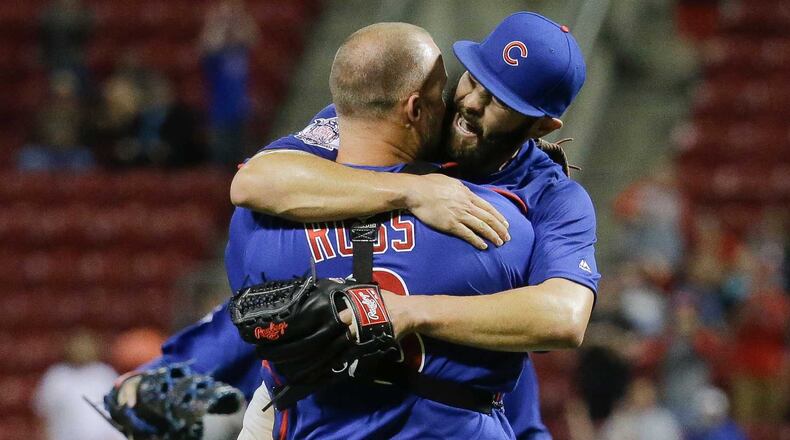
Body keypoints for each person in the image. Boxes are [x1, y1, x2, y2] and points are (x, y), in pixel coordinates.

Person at [136, 11, 597, 440]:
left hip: (443, 392)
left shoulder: (551, 196)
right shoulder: (409, 116)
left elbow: (564, 316)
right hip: (317, 395)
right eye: (475, 79)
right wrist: (411, 191)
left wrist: (410, 311)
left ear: (541, 126)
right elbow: (255, 181)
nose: (472, 104)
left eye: (499, 101)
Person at [230, 21, 538, 439]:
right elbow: (548, 324)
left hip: (307, 422)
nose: (453, 105)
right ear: (415, 109)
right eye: (441, 94)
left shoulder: (257, 221)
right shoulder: (497, 221)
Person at [34, 330, 124, 440]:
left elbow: (119, 411)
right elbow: (42, 415)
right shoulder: (56, 377)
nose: (81, 349)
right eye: (77, 345)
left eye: (85, 345)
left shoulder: (105, 373)